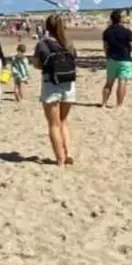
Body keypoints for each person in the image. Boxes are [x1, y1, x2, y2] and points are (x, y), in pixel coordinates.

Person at [34, 13, 77, 167]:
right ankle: (69, 153)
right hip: (68, 83)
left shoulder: (42, 44)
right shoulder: (69, 43)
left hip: (51, 83)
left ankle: (60, 159)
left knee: (53, 124)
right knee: (64, 121)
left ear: (47, 27)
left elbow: (37, 64)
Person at [100, 9, 132, 109]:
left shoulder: (107, 31)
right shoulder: (127, 32)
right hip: (124, 59)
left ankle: (104, 103)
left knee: (109, 82)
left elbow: (105, 47)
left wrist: (107, 56)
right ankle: (119, 104)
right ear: (121, 19)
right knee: (122, 81)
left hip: (111, 58)